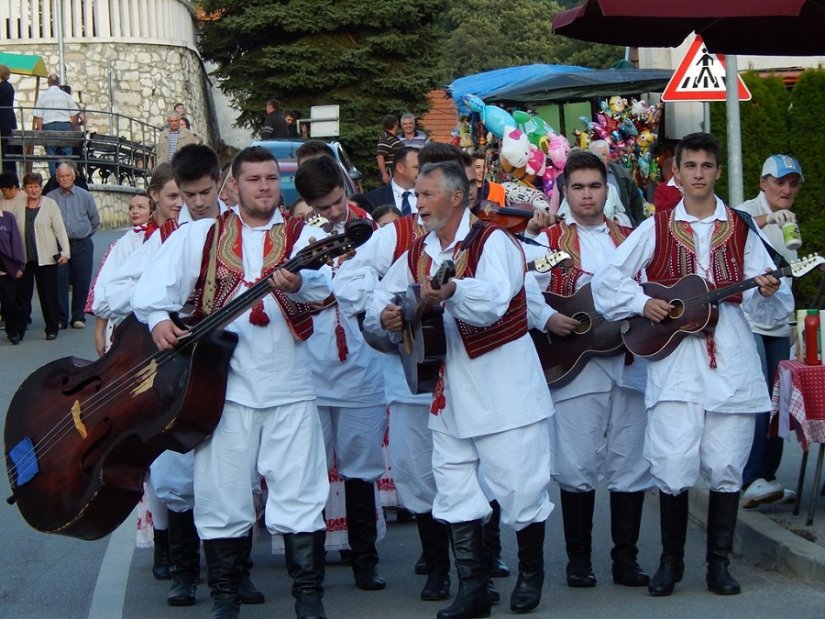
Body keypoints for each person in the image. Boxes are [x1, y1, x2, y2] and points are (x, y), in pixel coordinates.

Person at [131, 146, 332, 619]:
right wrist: (159, 318)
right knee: (222, 495)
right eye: (253, 179)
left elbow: (331, 286)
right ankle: (224, 599)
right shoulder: (202, 235)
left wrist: (300, 285)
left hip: (290, 386)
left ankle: (309, 600)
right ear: (233, 186)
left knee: (301, 495)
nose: (263, 186)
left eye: (270, 178)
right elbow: (150, 290)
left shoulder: (307, 234)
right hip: (224, 390)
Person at [591, 132, 793, 597]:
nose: (699, 174)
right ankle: (670, 563)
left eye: (706, 166)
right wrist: (644, 305)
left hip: (732, 359)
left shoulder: (742, 227)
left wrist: (767, 290)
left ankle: (718, 565)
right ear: (676, 173)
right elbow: (608, 284)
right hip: (676, 361)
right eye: (690, 166)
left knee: (725, 462)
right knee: (673, 459)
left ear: (717, 171)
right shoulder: (656, 226)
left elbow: (774, 304)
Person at [365, 161, 554, 617]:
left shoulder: (496, 242)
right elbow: (380, 302)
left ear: (456, 198)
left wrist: (450, 293)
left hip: (504, 389)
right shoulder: (417, 251)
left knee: (520, 489)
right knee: (453, 488)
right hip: (448, 392)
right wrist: (390, 317)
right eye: (417, 194)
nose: (419, 203)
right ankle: (473, 589)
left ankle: (530, 575)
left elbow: (491, 302)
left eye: (427, 195)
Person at [525, 151, 652, 589]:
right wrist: (547, 319)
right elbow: (523, 289)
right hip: (577, 363)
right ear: (564, 192)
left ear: (607, 190)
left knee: (630, 460)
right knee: (577, 462)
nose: (586, 195)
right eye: (577, 187)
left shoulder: (634, 237)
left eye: (594, 186)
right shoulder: (548, 242)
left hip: (630, 360)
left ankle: (626, 560)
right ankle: (579, 561)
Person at [294, 155, 388, 591]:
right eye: (322, 207)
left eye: (336, 202)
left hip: (361, 364)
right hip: (312, 364)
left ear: (346, 189)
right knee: (311, 466)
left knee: (361, 464)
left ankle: (365, 557)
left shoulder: (372, 229)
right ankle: (307, 563)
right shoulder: (300, 235)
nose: (332, 213)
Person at [737, 154, 805, 508]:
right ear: (763, 182)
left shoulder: (790, 220)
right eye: (780, 181)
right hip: (748, 319)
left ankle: (768, 477)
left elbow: (786, 274)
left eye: (793, 183)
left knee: (780, 401)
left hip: (778, 321)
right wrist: (767, 219)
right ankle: (749, 477)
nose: (786, 189)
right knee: (759, 398)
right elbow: (732, 226)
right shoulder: (749, 210)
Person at [86, 190, 154, 356]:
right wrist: (98, 334)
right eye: (131, 207)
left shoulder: (163, 238)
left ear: (153, 211)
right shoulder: (119, 245)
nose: (134, 211)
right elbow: (104, 288)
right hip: (122, 321)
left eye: (140, 207)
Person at [9, 172, 69, 340]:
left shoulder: (50, 204)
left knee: (48, 294)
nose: (33, 190)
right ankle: (18, 331)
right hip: (24, 258)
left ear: (41, 187)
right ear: (24, 188)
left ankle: (51, 328)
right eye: (30, 186)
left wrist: (65, 252)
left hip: (46, 257)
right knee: (22, 296)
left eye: (36, 186)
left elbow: (59, 230)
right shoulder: (19, 204)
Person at [46, 160, 99, 329]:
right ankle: (61, 318)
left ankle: (78, 317)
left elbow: (95, 220)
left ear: (74, 176)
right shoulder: (50, 198)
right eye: (61, 176)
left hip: (82, 244)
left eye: (67, 175)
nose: (64, 179)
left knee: (82, 281)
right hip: (59, 247)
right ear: (56, 178)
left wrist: (84, 235)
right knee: (59, 282)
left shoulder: (85, 195)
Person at [32, 73, 79, 176]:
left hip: (49, 126)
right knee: (67, 153)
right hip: (65, 125)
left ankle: (54, 178)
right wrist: (71, 127)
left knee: (51, 155)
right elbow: (74, 115)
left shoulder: (42, 97)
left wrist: (40, 132)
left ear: (48, 83)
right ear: (58, 83)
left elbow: (39, 117)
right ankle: (68, 175)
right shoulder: (66, 96)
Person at [364, 147, 419, 215]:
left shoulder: (432, 197)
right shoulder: (372, 199)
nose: (422, 171)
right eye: (416, 167)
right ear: (400, 168)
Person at [0, 205, 24, 344]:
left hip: (6, 267)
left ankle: (13, 331)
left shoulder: (8, 218)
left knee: (9, 302)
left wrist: (19, 265)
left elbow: (15, 242)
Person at [376, 114, 403, 185]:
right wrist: (384, 174)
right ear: (395, 124)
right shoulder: (385, 138)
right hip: (391, 173)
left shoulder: (392, 137)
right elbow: (380, 156)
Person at [0, 64, 18, 173]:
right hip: (7, 119)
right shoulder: (7, 86)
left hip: (3, 121)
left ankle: (8, 174)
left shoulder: (3, 87)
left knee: (5, 149)